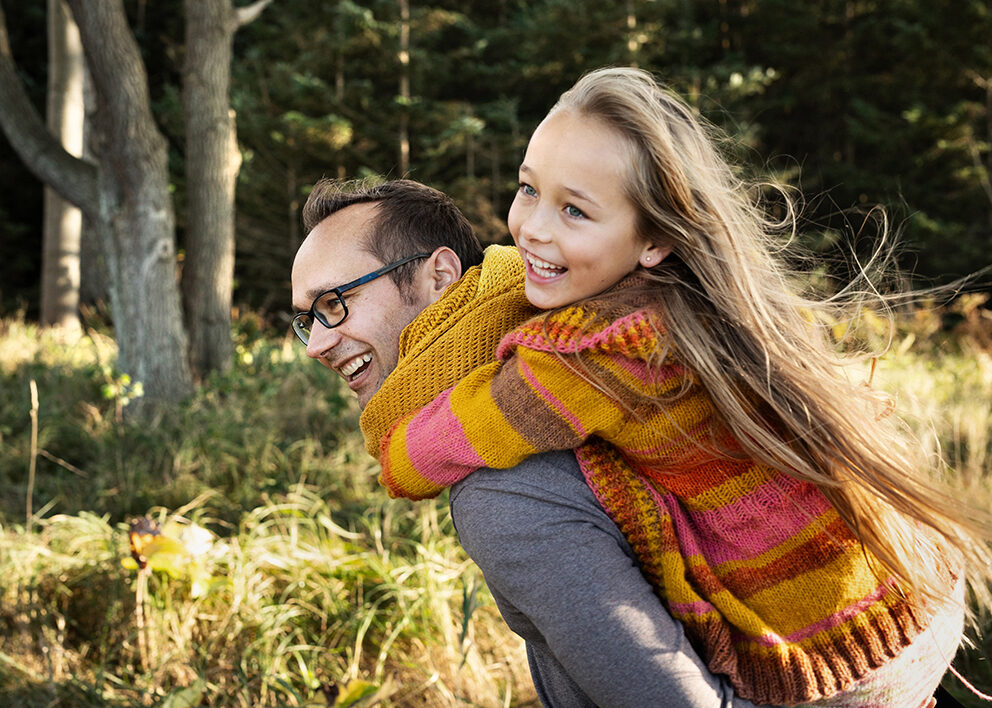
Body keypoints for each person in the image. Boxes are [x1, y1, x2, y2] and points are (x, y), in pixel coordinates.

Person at [367, 68, 992, 707]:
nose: (531, 228)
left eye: (574, 210)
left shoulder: (591, 355)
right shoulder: (706, 307)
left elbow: (425, 455)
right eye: (528, 189)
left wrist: (392, 442)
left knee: (500, 494)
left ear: (656, 239)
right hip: (908, 608)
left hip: (832, 660)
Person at [291, 177, 765, 706]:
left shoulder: (503, 487)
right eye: (305, 319)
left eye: (334, 302)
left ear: (441, 276)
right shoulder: (582, 344)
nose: (315, 344)